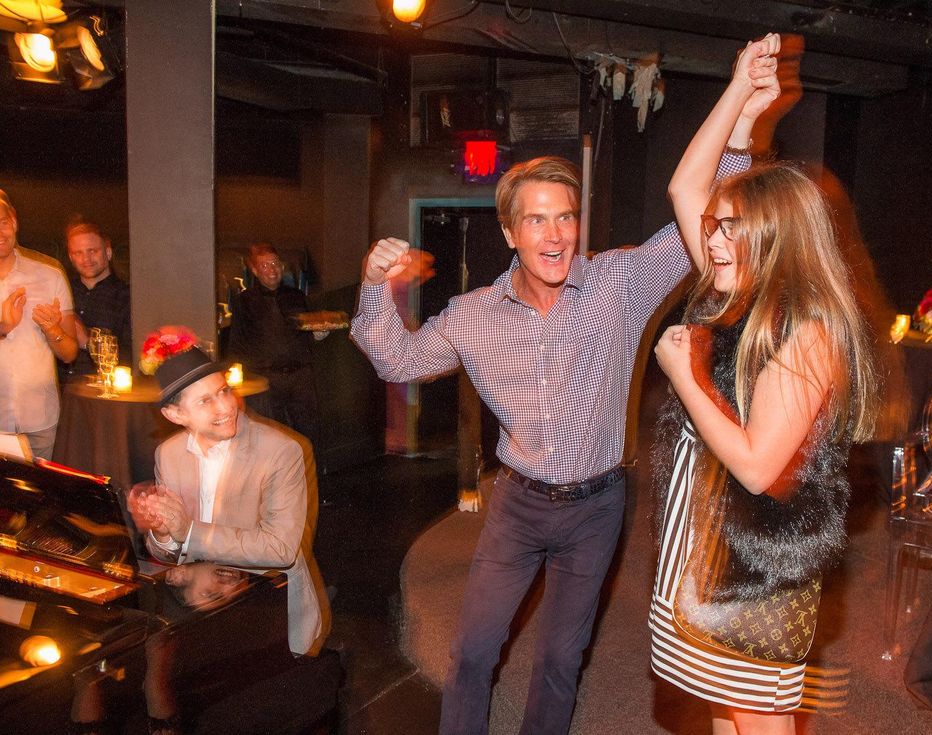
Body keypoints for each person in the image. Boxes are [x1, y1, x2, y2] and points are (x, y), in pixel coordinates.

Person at [350, 77, 775, 733]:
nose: (555, 235)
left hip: (596, 505)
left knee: (559, 658)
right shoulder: (473, 316)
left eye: (566, 217)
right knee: (473, 652)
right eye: (536, 219)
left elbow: (696, 224)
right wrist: (377, 288)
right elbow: (398, 360)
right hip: (516, 505)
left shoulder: (619, 284)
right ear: (509, 231)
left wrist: (743, 131)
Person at [648, 34, 879, 734]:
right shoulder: (736, 292)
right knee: (724, 706)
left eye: (732, 230)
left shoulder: (806, 331)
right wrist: (736, 91)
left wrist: (683, 375)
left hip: (757, 563)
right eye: (715, 228)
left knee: (759, 718)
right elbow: (686, 187)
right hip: (709, 542)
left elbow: (754, 465)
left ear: (777, 240)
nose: (712, 241)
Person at [127, 333, 328, 657]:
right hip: (205, 618)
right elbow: (168, 552)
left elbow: (282, 550)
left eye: (224, 391)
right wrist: (163, 534)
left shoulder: (282, 451)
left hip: (269, 614)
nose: (226, 406)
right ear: (176, 415)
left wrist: (188, 532)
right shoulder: (169, 454)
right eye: (205, 401)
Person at [0, 189, 78, 459]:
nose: (0, 233)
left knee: (42, 500)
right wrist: (3, 327)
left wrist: (52, 329)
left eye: (3, 222)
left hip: (39, 419)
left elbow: (69, 353)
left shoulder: (49, 274)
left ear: (15, 222)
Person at [227, 244, 324, 458]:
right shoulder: (245, 302)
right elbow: (237, 342)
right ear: (254, 270)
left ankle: (310, 480)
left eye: (275, 263)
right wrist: (235, 381)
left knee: (308, 431)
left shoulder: (296, 296)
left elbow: (306, 332)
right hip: (266, 379)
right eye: (264, 265)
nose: (272, 269)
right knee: (272, 434)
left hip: (300, 376)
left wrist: (318, 335)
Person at [61, 216, 132, 381]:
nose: (86, 259)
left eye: (92, 251)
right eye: (78, 253)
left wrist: (88, 343)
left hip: (100, 395)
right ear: (71, 257)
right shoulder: (61, 290)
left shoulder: (126, 297)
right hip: (58, 390)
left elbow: (131, 358)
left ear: (108, 252)